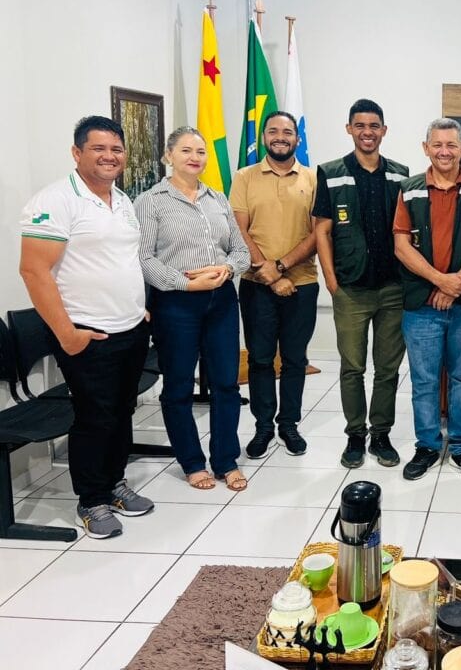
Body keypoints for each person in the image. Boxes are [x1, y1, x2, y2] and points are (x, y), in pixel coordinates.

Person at [19, 116, 154, 539]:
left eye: (116, 149)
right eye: (99, 149)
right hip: (86, 333)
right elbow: (34, 271)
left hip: (130, 328)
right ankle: (91, 500)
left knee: (122, 411)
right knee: (95, 417)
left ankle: (114, 484)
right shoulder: (56, 200)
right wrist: (67, 334)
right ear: (77, 153)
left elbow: (121, 261)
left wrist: (139, 307)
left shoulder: (122, 200)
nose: (109, 156)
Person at [135, 127, 251, 491]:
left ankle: (225, 459)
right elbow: (142, 258)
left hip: (221, 302)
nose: (195, 157)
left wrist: (227, 269)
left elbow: (241, 251)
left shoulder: (217, 198)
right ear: (168, 156)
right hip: (175, 304)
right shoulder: (151, 201)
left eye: (201, 151)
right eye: (186, 150)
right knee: (179, 387)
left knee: (225, 384)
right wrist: (187, 283)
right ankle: (191, 462)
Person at [314, 99, 409, 468]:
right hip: (350, 289)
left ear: (384, 130)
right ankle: (355, 435)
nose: (367, 132)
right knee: (352, 367)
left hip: (392, 289)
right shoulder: (331, 172)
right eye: (360, 125)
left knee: (387, 368)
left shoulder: (401, 175)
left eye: (374, 126)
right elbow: (321, 230)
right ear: (349, 128)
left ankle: (381, 435)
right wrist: (332, 281)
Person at [393, 118, 461, 482]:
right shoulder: (410, 189)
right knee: (424, 379)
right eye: (438, 145)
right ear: (426, 148)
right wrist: (439, 281)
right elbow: (401, 246)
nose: (445, 151)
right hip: (422, 306)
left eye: (452, 145)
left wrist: (458, 283)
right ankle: (428, 445)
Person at [230, 111, 319, 459]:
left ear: (297, 139)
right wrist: (267, 273)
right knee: (261, 359)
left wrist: (281, 268)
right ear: (264, 137)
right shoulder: (244, 177)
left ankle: (289, 424)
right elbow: (240, 229)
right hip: (255, 285)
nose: (280, 137)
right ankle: (263, 427)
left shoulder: (312, 179)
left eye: (287, 132)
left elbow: (318, 233)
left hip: (303, 283)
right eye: (273, 131)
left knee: (295, 359)